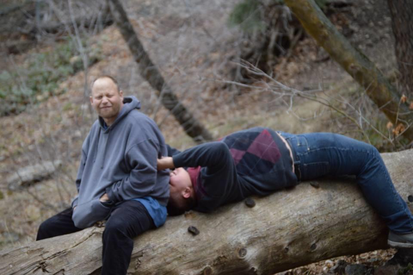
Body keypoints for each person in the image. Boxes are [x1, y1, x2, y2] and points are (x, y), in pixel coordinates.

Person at [158, 127, 413, 248]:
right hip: (300, 157)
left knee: (361, 156)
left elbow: (160, 146)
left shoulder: (196, 175)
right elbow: (218, 151)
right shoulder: (209, 188)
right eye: (169, 178)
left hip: (292, 145)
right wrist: (172, 161)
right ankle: (403, 228)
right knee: (368, 157)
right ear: (186, 193)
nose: (171, 171)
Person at [36, 75, 170, 275]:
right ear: (92, 101)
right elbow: (83, 175)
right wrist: (82, 201)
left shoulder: (138, 125)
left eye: (110, 95)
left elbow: (145, 177)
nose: (105, 100)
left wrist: (109, 197)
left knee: (116, 228)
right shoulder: (96, 130)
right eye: (99, 97)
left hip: (145, 200)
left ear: (121, 96)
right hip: (104, 200)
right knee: (48, 229)